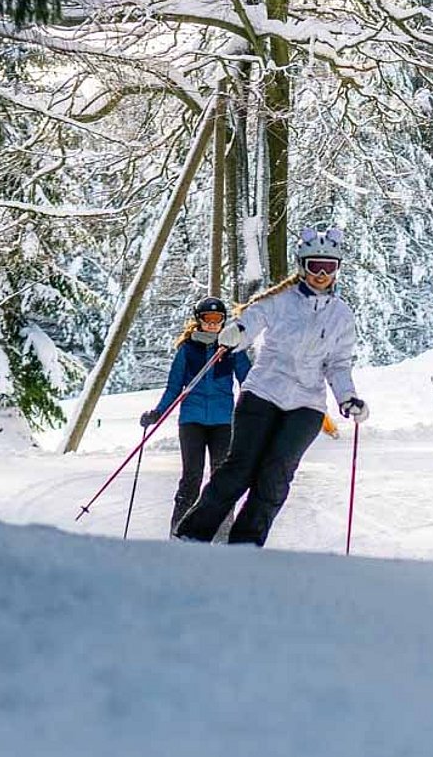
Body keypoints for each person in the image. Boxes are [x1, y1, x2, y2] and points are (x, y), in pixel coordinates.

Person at [174, 227, 368, 547]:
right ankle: (191, 537)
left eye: (329, 267)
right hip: (264, 392)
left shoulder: (341, 316)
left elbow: (338, 363)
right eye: (315, 265)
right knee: (239, 470)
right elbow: (251, 320)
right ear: (302, 266)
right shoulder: (280, 301)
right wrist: (236, 334)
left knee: (275, 477)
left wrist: (348, 398)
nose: (321, 274)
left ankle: (245, 547)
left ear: (337, 269)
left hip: (307, 403)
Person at [141, 296, 251, 538]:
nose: (212, 324)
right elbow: (173, 387)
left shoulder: (232, 349)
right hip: (192, 421)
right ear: (198, 320)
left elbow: (249, 381)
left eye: (217, 320)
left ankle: (222, 533)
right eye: (207, 319)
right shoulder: (187, 350)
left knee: (221, 479)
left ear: (223, 322)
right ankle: (178, 531)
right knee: (192, 477)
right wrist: (158, 412)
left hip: (223, 422)